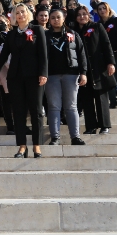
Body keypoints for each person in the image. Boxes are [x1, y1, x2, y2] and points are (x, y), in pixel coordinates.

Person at [0, 3, 47, 158]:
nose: (20, 15)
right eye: (17, 13)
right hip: (15, 78)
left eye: (23, 12)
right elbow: (3, 57)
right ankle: (22, 146)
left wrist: (43, 73)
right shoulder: (11, 35)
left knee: (36, 112)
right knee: (19, 112)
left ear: (27, 13)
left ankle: (36, 145)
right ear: (13, 17)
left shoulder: (37, 30)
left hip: (34, 77)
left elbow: (43, 54)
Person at [44, 9, 87, 146]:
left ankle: (75, 137)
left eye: (58, 17)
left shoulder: (73, 34)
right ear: (49, 20)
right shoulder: (45, 36)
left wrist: (83, 72)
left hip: (71, 74)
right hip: (51, 76)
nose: (56, 20)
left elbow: (81, 54)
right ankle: (55, 137)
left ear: (64, 19)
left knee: (71, 106)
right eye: (53, 18)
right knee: (54, 106)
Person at [74, 5, 115, 135]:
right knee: (86, 98)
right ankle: (91, 126)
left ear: (88, 15)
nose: (82, 17)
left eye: (84, 14)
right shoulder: (74, 32)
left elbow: (106, 44)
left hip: (99, 67)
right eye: (79, 15)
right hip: (83, 70)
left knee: (101, 97)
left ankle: (104, 125)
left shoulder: (97, 27)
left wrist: (111, 62)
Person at [97, 2, 117, 109]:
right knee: (109, 78)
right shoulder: (99, 24)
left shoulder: (116, 20)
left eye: (104, 8)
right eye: (99, 9)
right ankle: (113, 102)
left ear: (108, 9)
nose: (102, 11)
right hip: (106, 55)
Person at [0, 14, 15, 134]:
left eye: (1, 21)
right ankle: (10, 126)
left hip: (18, 70)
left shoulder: (15, 34)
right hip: (3, 72)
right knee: (6, 99)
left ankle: (20, 125)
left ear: (8, 22)